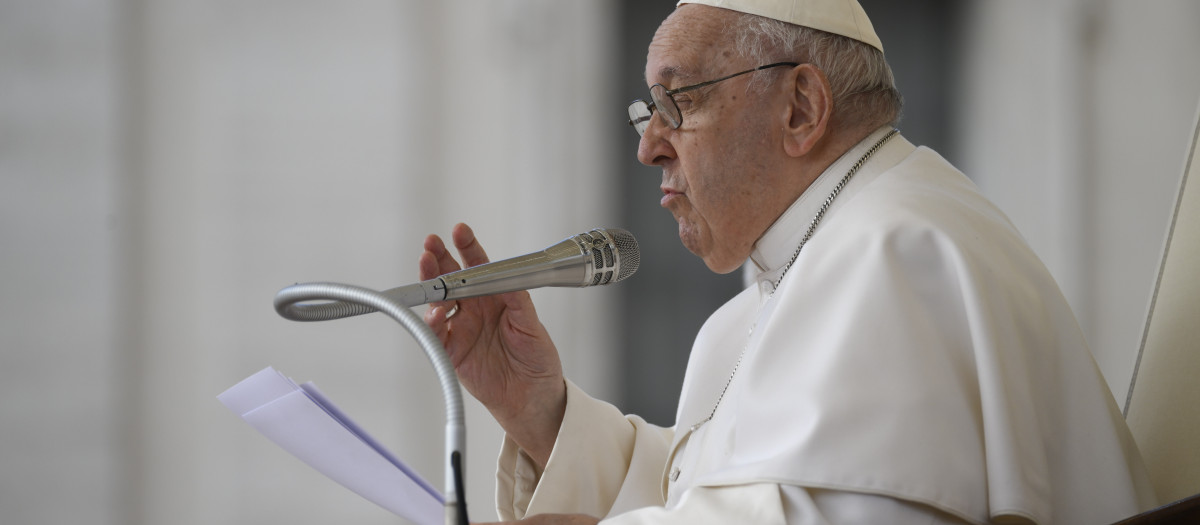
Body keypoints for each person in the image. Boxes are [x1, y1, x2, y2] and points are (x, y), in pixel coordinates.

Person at [418, 1, 1157, 523]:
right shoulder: (804, 270)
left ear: (801, 108)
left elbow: (852, 512)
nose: (648, 147)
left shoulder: (895, 250)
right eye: (647, 111)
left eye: (677, 103)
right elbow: (710, 489)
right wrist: (543, 414)